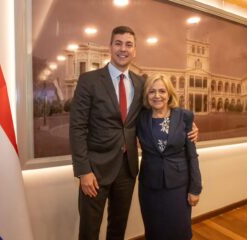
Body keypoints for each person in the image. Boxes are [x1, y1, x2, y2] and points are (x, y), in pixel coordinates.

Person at [69, 26, 199, 240]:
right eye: (118, 43)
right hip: (95, 170)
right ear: (110, 47)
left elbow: (161, 110)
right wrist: (84, 170)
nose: (123, 49)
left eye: (129, 44)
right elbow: (77, 127)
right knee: (89, 230)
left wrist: (188, 125)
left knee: (118, 228)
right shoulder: (89, 81)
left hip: (127, 170)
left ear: (135, 50)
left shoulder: (141, 84)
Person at [137, 75, 202, 240]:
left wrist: (195, 188)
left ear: (169, 94)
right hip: (149, 187)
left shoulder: (184, 116)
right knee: (154, 231)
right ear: (146, 95)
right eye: (152, 91)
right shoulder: (140, 118)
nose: (157, 95)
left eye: (161, 91)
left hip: (178, 187)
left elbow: (192, 154)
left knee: (179, 231)